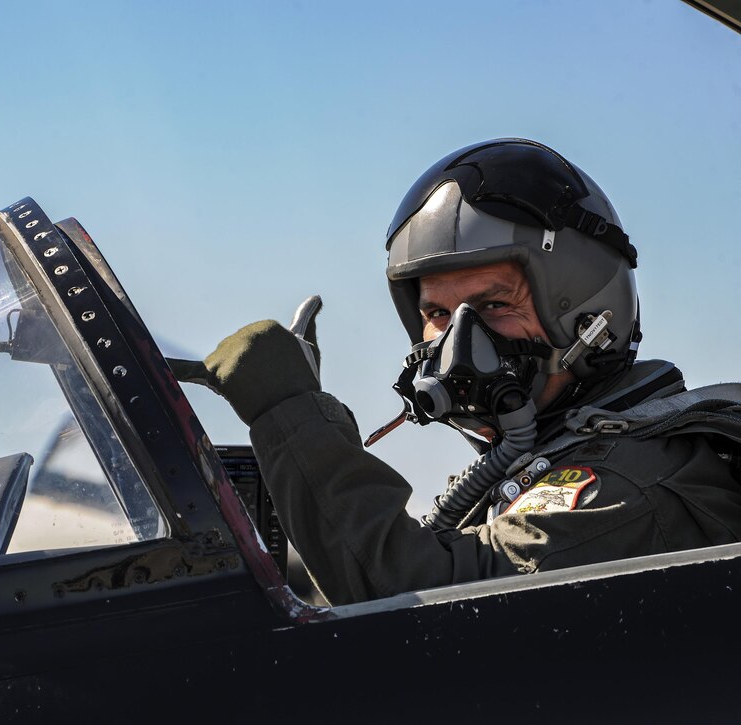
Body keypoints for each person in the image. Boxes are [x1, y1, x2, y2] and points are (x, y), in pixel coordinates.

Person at [170, 138, 741, 605]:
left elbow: (411, 605)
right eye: (437, 315)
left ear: (589, 316)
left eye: (494, 307)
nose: (456, 345)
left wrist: (287, 413)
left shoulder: (628, 484)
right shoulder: (557, 456)